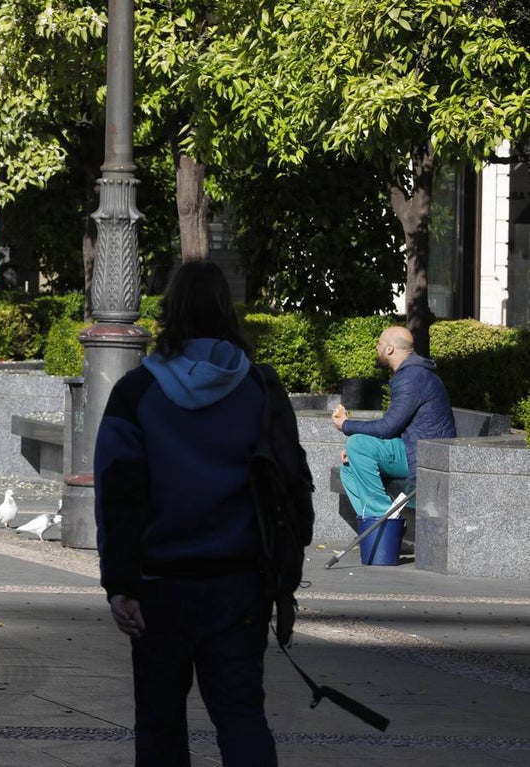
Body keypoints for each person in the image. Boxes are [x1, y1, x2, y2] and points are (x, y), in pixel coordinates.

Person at [94, 261, 300, 766]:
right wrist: (282, 578)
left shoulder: (137, 392)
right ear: (228, 312)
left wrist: (119, 583)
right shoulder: (260, 390)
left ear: (170, 311)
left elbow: (119, 495)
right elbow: (290, 485)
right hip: (240, 583)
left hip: (159, 584)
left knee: (159, 724)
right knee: (242, 717)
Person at [331, 325, 456, 518]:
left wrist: (346, 425)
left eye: (379, 344)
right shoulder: (413, 373)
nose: (377, 348)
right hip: (414, 447)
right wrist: (359, 451)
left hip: (426, 455)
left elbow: (387, 427)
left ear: (389, 349)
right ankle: (373, 523)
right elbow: (396, 426)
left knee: (357, 443)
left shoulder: (411, 378)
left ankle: (384, 517)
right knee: (348, 471)